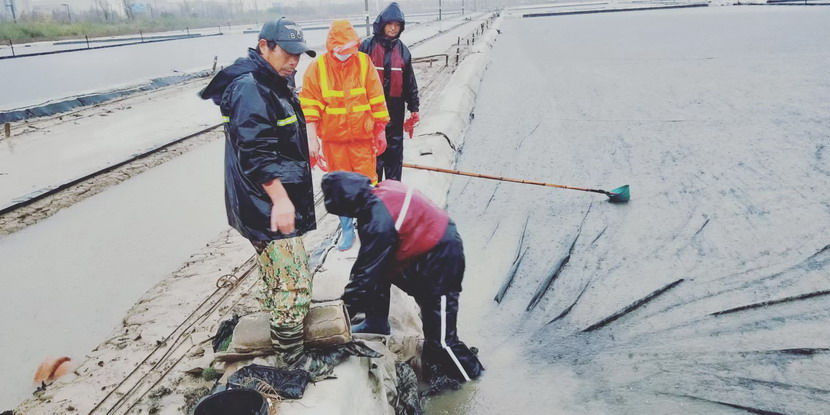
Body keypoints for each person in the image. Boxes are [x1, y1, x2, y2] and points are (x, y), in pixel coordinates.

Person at [199, 18, 317, 364]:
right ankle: (292, 359)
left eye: (299, 54)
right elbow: (254, 153)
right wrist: (279, 199)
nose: (294, 61)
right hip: (263, 203)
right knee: (294, 282)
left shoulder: (274, 80)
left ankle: (272, 334)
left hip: (265, 199)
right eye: (288, 53)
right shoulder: (251, 87)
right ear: (264, 46)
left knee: (275, 275)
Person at [321, 171, 484, 383]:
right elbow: (367, 265)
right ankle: (376, 322)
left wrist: (339, 318)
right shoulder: (382, 190)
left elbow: (364, 276)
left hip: (442, 260)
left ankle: (474, 380)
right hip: (422, 251)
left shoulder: (378, 221)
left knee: (442, 342)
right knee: (377, 271)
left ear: (346, 204)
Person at [300, 20, 390, 252]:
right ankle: (347, 228)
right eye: (343, 49)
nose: (348, 53)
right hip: (334, 142)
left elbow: (376, 97)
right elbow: (309, 106)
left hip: (362, 138)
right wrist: (312, 140)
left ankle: (368, 227)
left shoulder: (363, 62)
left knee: (367, 183)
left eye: (352, 48)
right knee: (340, 186)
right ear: (332, 47)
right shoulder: (318, 68)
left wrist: (380, 130)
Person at [360, 2, 420, 182]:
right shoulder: (366, 47)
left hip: (395, 113)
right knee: (373, 159)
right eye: (390, 24)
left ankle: (393, 191)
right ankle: (374, 191)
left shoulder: (403, 51)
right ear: (382, 24)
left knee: (394, 156)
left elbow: (409, 82)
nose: (393, 28)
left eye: (397, 25)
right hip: (370, 114)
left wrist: (414, 107)